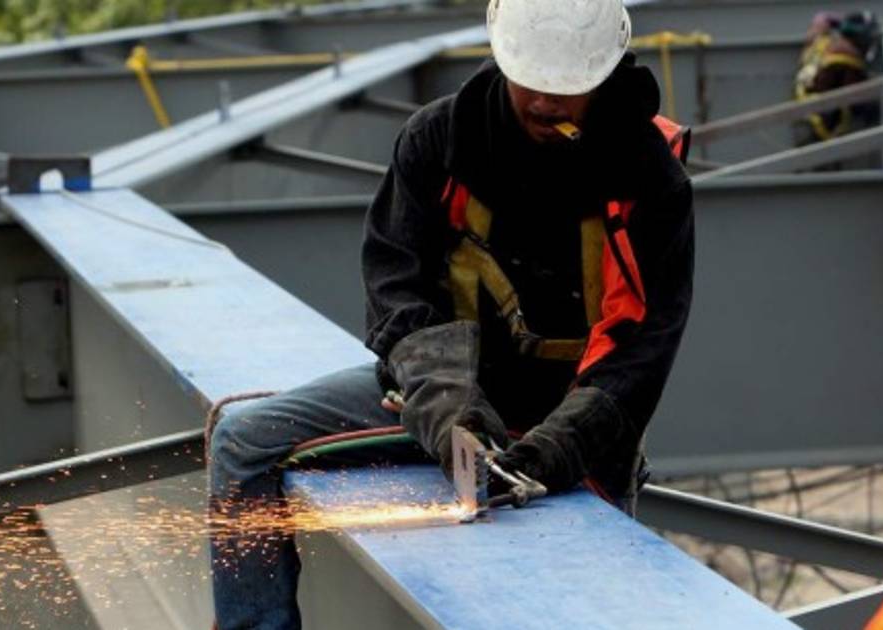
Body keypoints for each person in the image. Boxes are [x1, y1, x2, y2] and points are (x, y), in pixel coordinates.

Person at [208, 0, 694, 627]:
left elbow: (641, 346)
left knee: (587, 606)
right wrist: (445, 405)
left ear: (602, 74)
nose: (545, 101)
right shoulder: (441, 142)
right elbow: (397, 287)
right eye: (532, 80)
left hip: (575, 425)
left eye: (565, 86)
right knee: (243, 443)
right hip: (446, 403)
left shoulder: (647, 177)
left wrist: (561, 445)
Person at [794, 10, 881, 145]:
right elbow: (856, 99)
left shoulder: (822, 45)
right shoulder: (846, 57)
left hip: (804, 114)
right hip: (823, 121)